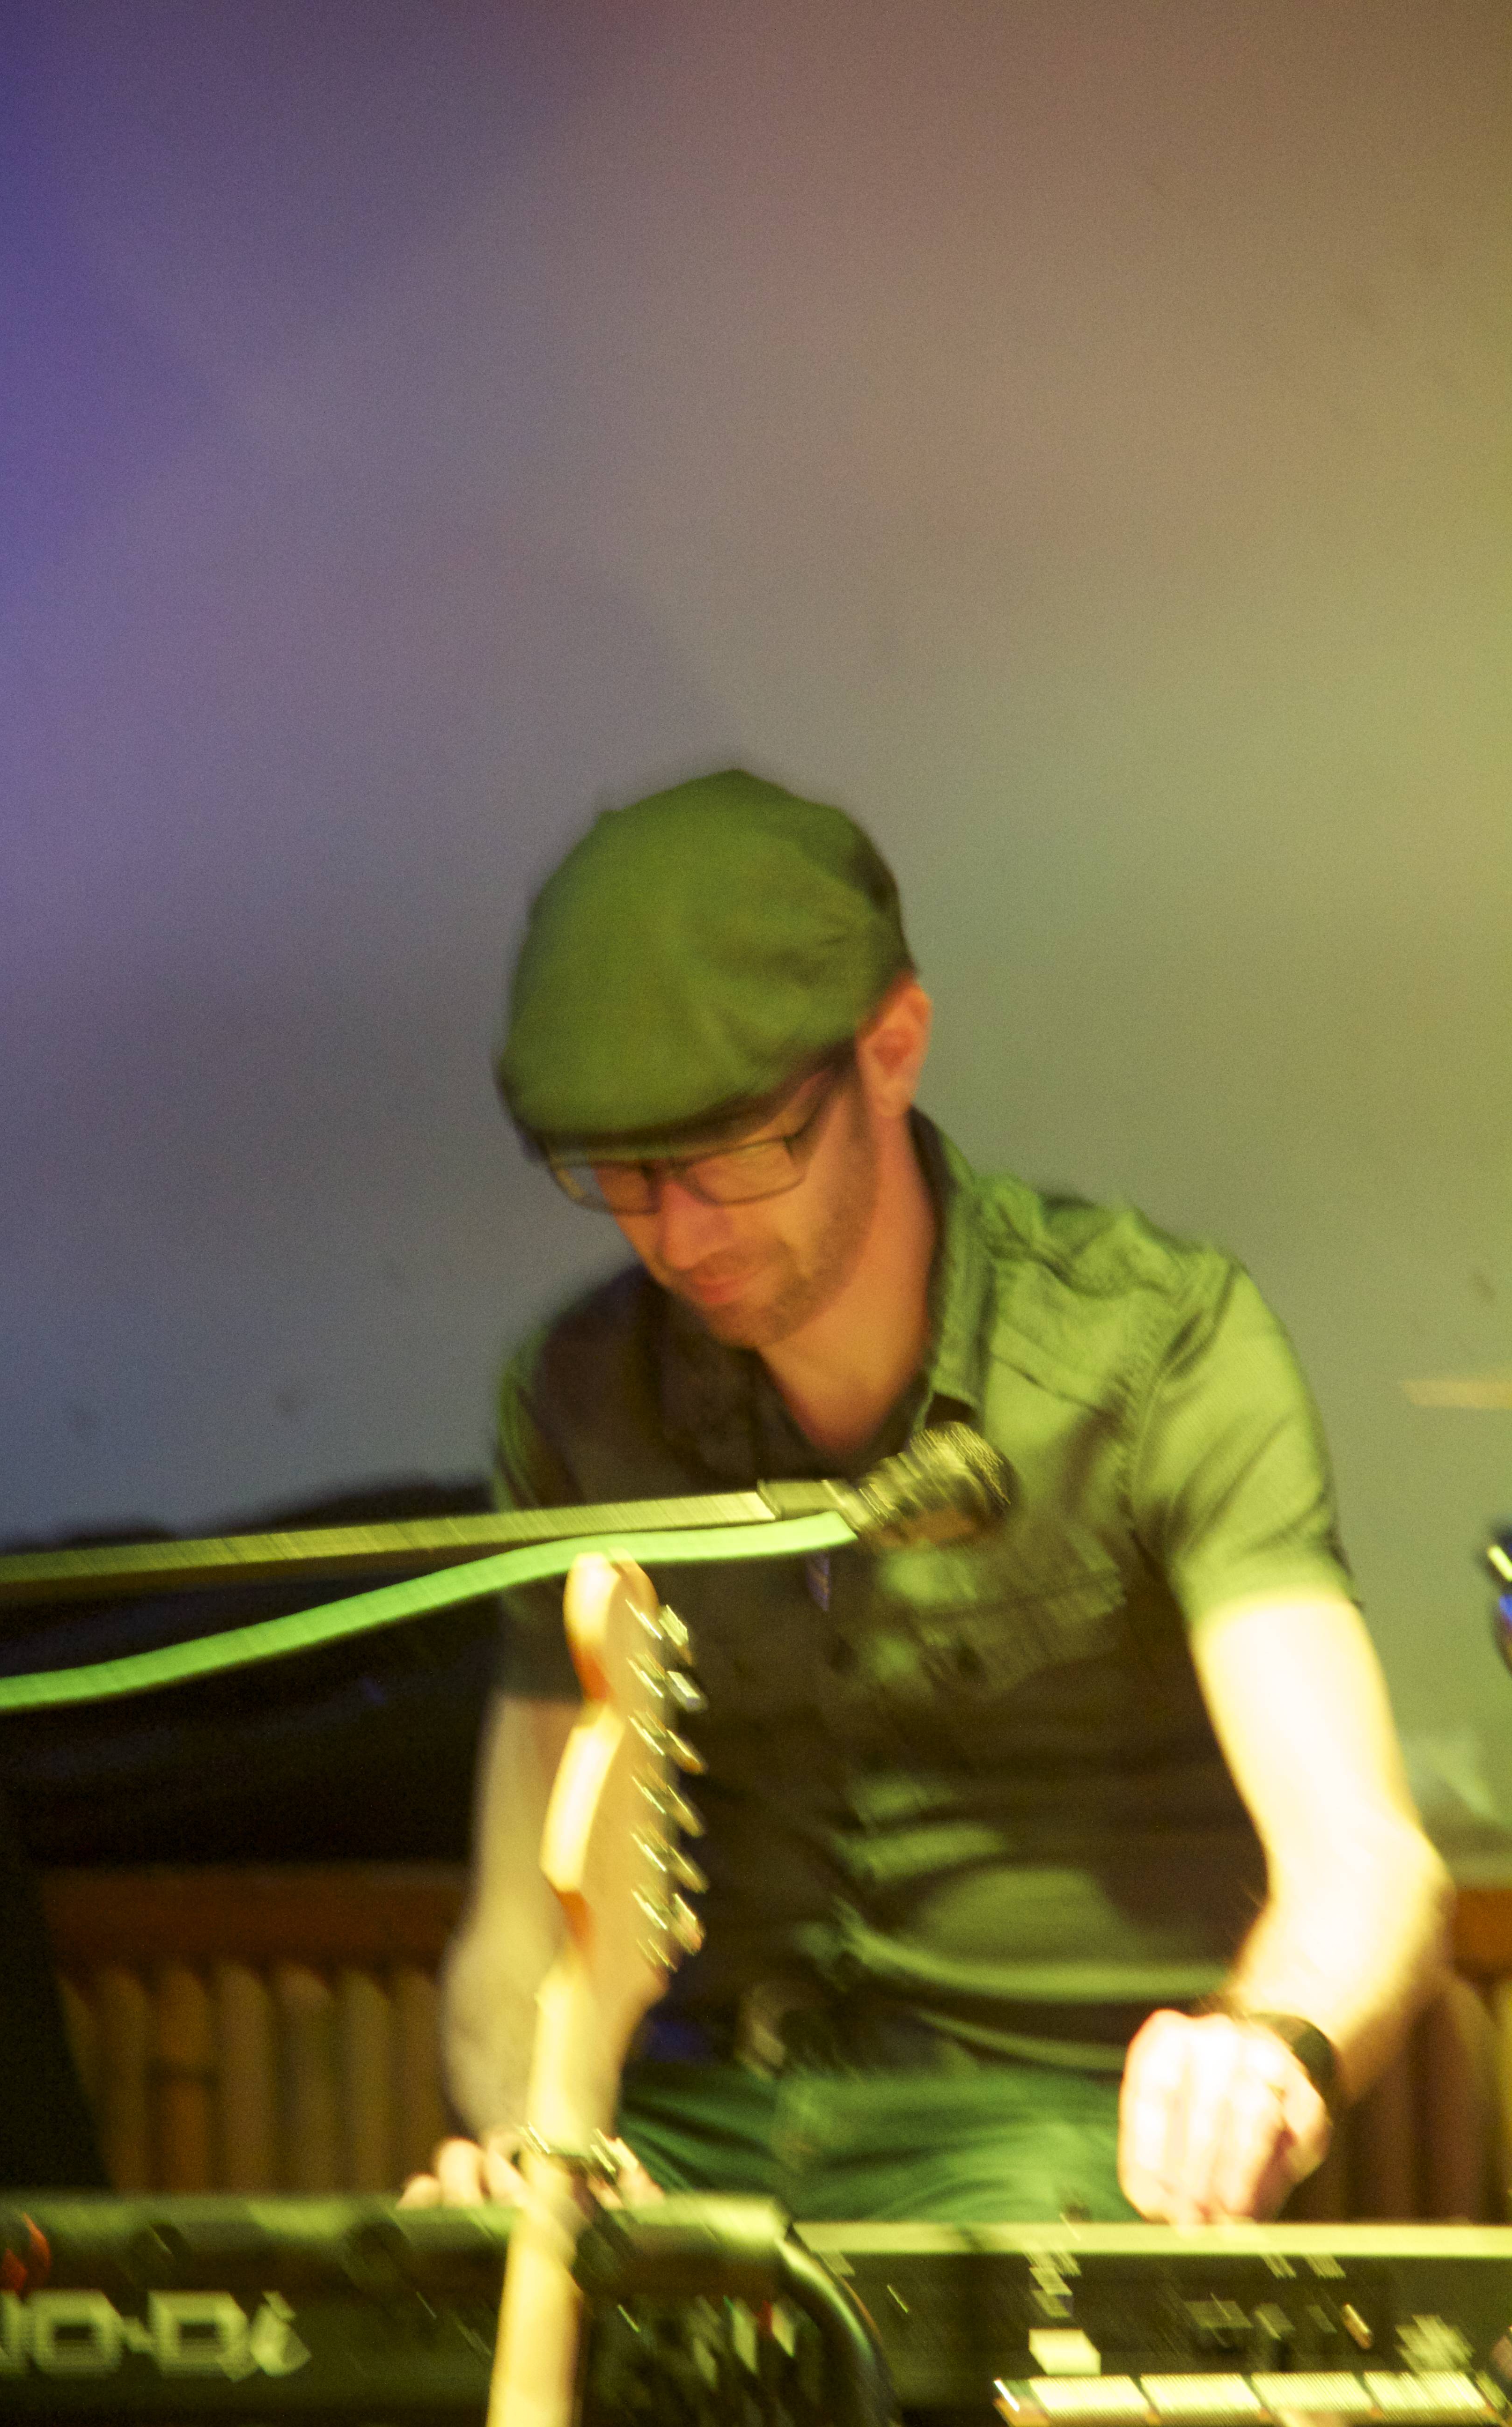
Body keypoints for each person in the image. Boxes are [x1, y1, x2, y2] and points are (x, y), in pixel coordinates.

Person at [403, 768, 1448, 2226]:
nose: (676, 1233)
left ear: (891, 1051)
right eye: (620, 1173)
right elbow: (519, 1932)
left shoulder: (1159, 1351)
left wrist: (1267, 2047)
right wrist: (539, 2142)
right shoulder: (580, 1399)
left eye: (732, 1152)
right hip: (692, 2134)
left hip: (1070, 2141)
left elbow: (1363, 1860)